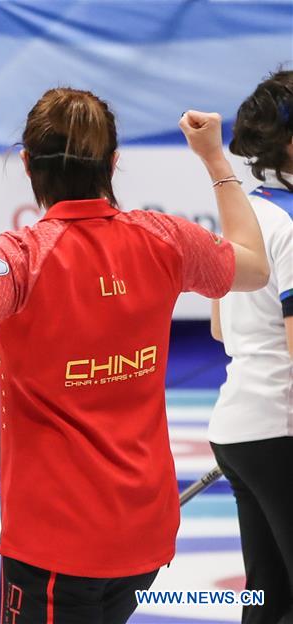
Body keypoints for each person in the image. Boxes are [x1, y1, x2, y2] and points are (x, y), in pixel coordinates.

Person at [0, 87, 269, 624]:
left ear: (26, 165)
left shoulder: (20, 255)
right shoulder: (162, 238)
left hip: (55, 546)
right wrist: (214, 157)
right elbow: (254, 266)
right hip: (144, 536)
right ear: (113, 162)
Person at [208, 68, 293, 624]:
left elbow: (220, 329)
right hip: (279, 431)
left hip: (238, 433)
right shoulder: (287, 222)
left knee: (268, 598)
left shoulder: (243, 216)